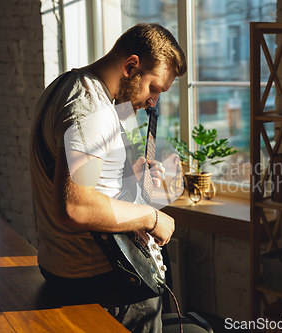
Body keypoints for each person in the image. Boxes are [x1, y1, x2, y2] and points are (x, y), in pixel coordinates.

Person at [29, 23, 187, 333]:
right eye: (154, 88)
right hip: (104, 284)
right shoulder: (91, 110)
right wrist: (153, 217)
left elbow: (76, 179)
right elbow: (75, 206)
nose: (153, 101)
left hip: (67, 270)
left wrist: (128, 178)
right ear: (131, 66)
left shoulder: (67, 86)